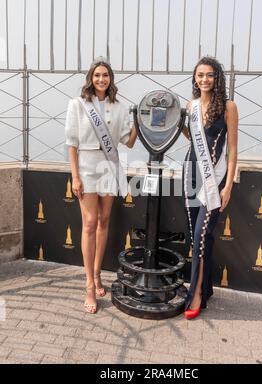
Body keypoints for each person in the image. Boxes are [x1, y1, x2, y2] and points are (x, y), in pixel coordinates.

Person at [65, 58, 137, 314]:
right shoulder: (78, 104)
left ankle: (97, 276)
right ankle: (87, 285)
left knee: (104, 221)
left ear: (111, 78)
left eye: (105, 75)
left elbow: (128, 142)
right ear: (90, 77)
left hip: (109, 166)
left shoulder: (120, 106)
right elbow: (71, 143)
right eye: (97, 75)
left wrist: (138, 119)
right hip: (86, 166)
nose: (101, 79)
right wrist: (75, 176)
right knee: (89, 223)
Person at [182, 56, 238, 320]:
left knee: (201, 238)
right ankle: (205, 290)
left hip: (214, 179)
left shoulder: (229, 107)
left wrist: (228, 186)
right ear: (195, 78)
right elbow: (192, 139)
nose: (204, 79)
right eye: (200, 75)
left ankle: (194, 296)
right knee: (199, 237)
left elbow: (234, 150)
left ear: (217, 78)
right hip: (191, 173)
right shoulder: (190, 106)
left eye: (209, 75)